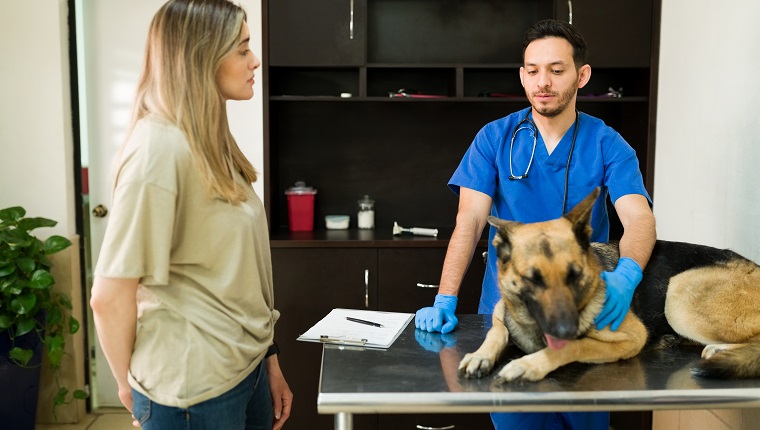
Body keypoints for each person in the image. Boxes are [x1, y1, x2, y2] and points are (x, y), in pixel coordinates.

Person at [415, 19, 656, 430]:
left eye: (556, 70)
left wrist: (628, 273)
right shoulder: (495, 138)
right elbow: (470, 222)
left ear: (582, 76)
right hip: (511, 321)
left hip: (584, 321)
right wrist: (445, 298)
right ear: (522, 74)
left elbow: (638, 217)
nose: (542, 82)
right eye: (532, 70)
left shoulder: (607, 143)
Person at [89, 1, 293, 429]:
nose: (254, 60)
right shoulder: (158, 152)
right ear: (202, 57)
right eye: (242, 49)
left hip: (244, 370)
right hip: (193, 390)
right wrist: (129, 386)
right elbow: (109, 296)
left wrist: (268, 357)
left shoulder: (209, 140)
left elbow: (239, 274)